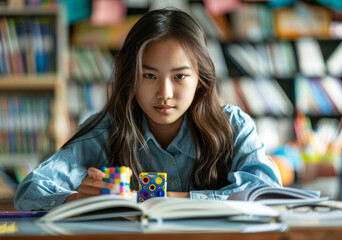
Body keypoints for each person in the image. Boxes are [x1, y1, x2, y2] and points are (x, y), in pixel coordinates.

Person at [14, 8, 282, 211]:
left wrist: (160, 199)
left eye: (180, 76)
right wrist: (77, 199)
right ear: (131, 76)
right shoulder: (106, 130)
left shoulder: (233, 126)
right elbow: (29, 191)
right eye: (149, 75)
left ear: (201, 78)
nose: (165, 93)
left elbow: (266, 194)